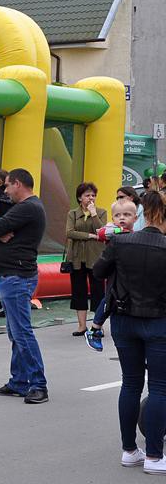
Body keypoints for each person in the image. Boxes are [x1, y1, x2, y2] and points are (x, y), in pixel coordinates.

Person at [92, 189, 166, 474]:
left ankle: (129, 451)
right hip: (159, 321)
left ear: (142, 215)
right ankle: (155, 456)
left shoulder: (121, 242)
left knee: (130, 384)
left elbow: (99, 273)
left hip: (123, 321)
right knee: (159, 387)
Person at [0, 167, 49, 405]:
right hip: (12, 275)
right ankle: (20, 381)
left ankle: (38, 384)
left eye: (8, 185)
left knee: (21, 332)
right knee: (16, 332)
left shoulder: (27, 208)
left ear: (18, 184)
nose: (6, 190)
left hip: (16, 276)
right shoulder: (28, 208)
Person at [85, 197, 138, 352]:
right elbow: (101, 233)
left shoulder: (134, 234)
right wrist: (120, 229)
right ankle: (95, 329)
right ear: (113, 218)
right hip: (114, 271)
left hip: (128, 273)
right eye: (118, 215)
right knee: (109, 298)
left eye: (127, 215)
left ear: (135, 218)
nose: (122, 218)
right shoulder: (112, 230)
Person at [64, 182, 107, 336]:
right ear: (79, 197)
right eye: (87, 195)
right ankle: (82, 326)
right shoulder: (73, 214)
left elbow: (101, 232)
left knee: (98, 291)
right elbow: (70, 232)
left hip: (95, 258)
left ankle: (97, 326)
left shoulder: (101, 212)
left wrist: (93, 214)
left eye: (93, 195)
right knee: (78, 291)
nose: (91, 198)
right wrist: (89, 236)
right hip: (77, 258)